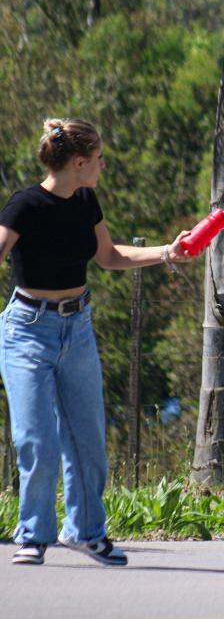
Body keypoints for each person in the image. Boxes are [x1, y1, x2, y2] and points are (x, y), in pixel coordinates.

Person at [0, 118, 194, 566]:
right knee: (37, 440)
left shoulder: (86, 200)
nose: (104, 165)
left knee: (87, 441)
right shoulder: (24, 205)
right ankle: (32, 534)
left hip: (78, 329)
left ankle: (86, 532)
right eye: (100, 159)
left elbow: (108, 256)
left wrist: (168, 251)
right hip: (27, 330)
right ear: (80, 162)